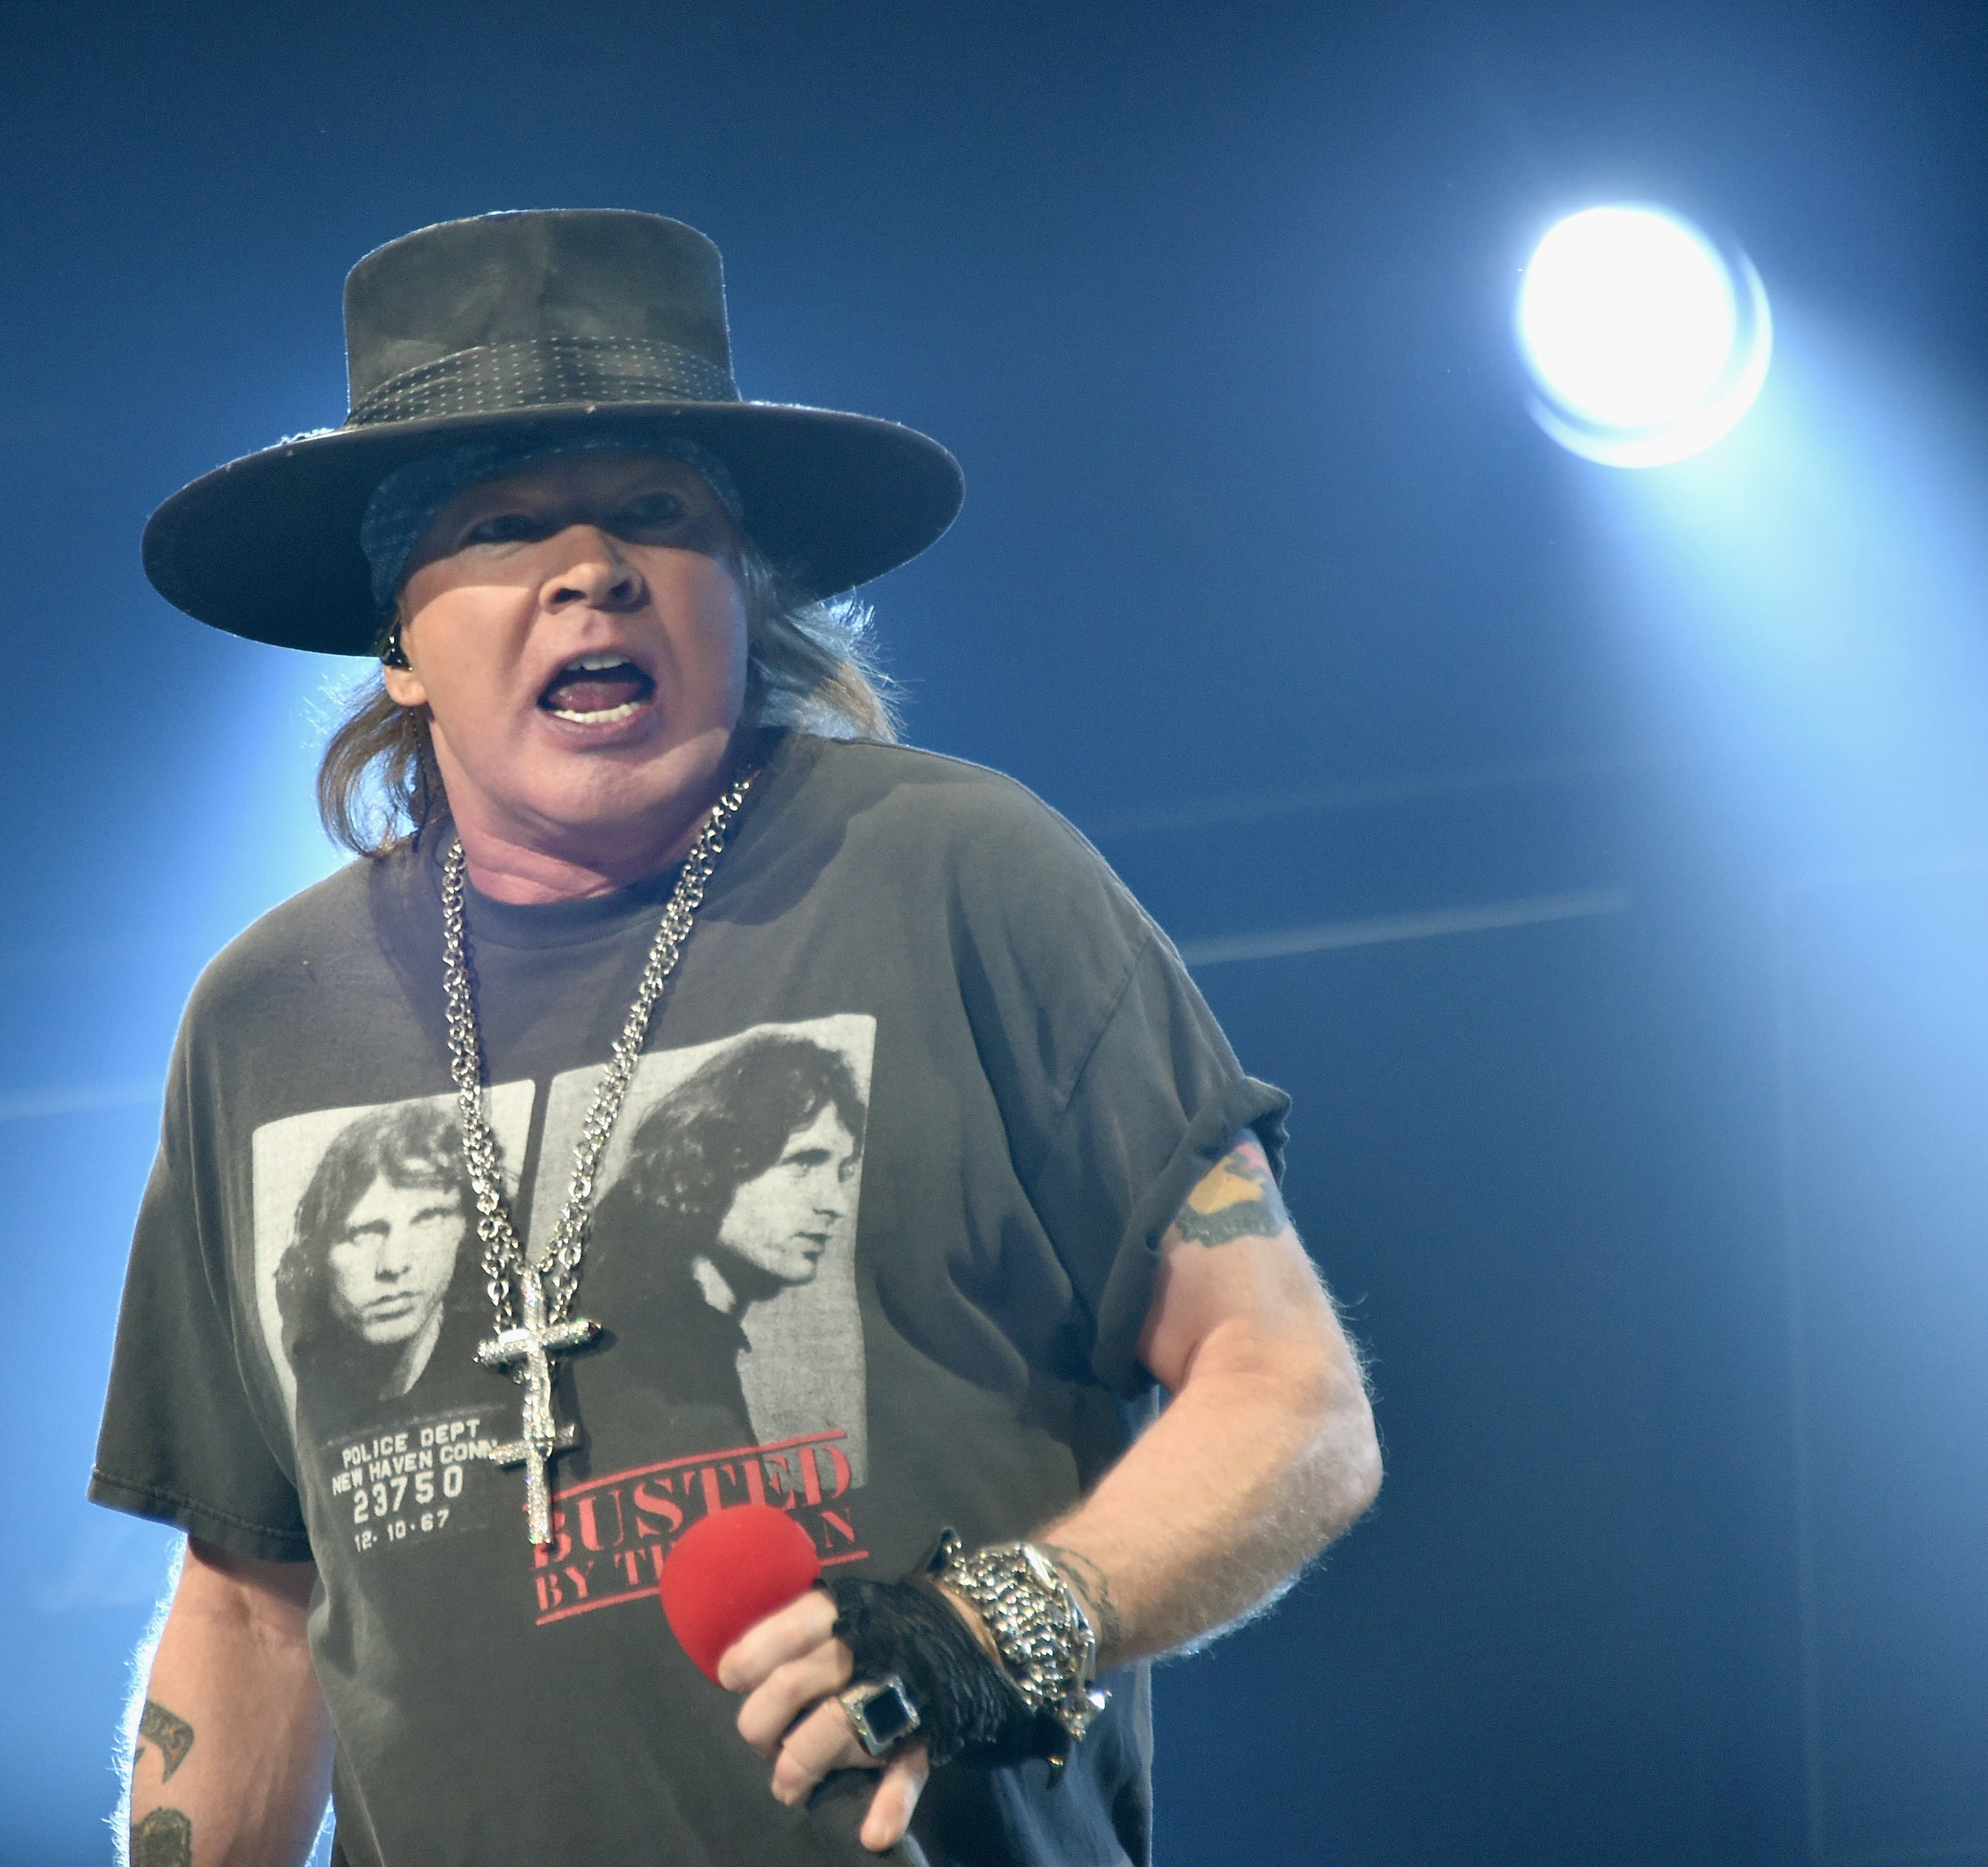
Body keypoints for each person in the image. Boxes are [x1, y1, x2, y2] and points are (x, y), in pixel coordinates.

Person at [93, 209, 1381, 1867]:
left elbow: (1284, 1391)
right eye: (501, 525)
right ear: (397, 640)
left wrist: (1009, 1616)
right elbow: (255, 1607)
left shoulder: (955, 872)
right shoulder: (264, 1016)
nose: (590, 568)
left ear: (743, 589)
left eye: (654, 511)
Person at [571, 1031, 870, 1471]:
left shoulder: (695, 1332)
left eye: (842, 1172)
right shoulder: (647, 1364)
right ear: (715, 1160)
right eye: (804, 1163)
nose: (835, 1204)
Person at [272, 1100, 484, 1414]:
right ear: (316, 1257)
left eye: (428, 1220)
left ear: (466, 1232)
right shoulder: (306, 1382)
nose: (394, 1265)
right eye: (362, 1234)